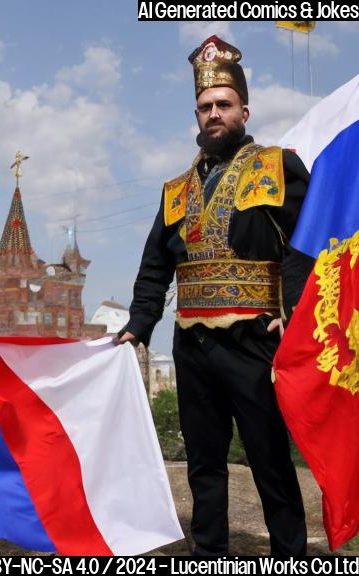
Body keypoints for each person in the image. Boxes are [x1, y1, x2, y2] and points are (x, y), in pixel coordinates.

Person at [119, 36, 312, 556]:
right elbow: (156, 263)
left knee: (269, 459)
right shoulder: (176, 189)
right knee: (204, 464)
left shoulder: (279, 166)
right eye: (204, 107)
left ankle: (291, 556)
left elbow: (311, 242)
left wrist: (293, 312)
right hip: (192, 344)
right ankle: (210, 556)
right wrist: (138, 325)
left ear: (244, 110)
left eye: (223, 105)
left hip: (256, 337)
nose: (213, 114)